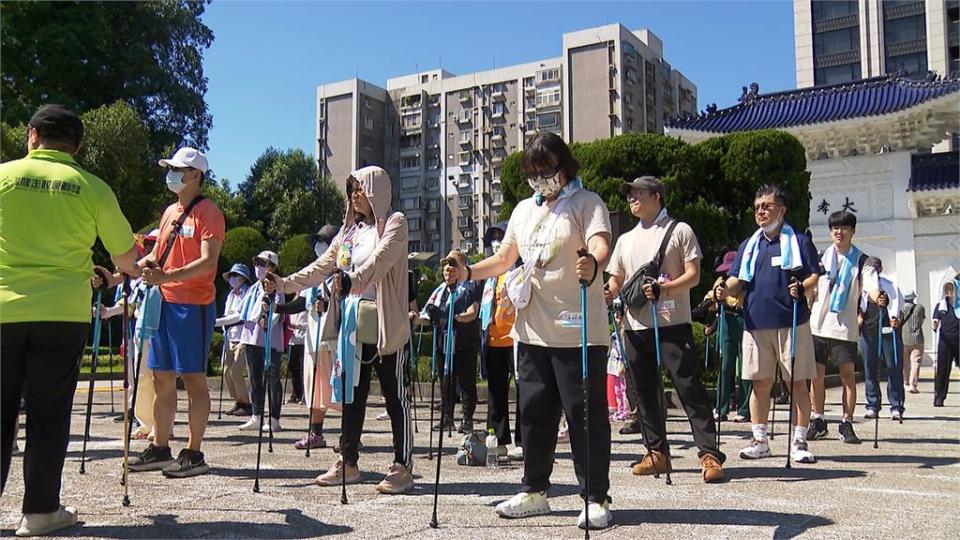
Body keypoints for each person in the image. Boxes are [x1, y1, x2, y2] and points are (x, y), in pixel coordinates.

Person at [448, 132, 613, 529]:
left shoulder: (587, 203)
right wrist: (469, 271)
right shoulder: (524, 209)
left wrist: (593, 263)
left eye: (548, 170)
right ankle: (535, 489)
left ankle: (595, 496)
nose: (542, 180)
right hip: (532, 330)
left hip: (578, 330)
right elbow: (506, 258)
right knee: (534, 414)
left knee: (584, 415)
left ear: (565, 166)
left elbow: (600, 243)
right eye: (534, 173)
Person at [1, 104, 139, 536]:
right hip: (62, 312)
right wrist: (101, 270)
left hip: (3, 308)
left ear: (32, 136)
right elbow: (127, 259)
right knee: (49, 411)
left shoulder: (3, 176)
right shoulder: (91, 187)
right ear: (76, 147)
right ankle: (40, 512)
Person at [264, 166, 414, 495]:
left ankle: (403, 464)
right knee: (351, 395)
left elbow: (379, 261)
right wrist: (285, 283)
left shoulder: (395, 223)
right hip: (351, 324)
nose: (354, 195)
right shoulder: (348, 232)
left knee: (394, 396)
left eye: (359, 188)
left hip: (386, 323)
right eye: (351, 190)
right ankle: (348, 460)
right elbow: (322, 267)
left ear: (376, 189)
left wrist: (351, 280)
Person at [606, 176, 726, 484]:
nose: (632, 198)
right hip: (635, 324)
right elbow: (618, 278)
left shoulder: (680, 230)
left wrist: (666, 289)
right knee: (644, 390)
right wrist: (608, 290)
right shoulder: (625, 239)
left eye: (638, 193)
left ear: (657, 196)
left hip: (672, 322)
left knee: (689, 388)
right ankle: (656, 451)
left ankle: (709, 453)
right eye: (630, 194)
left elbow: (694, 275)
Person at [126, 147, 225, 478]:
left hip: (193, 305)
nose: (171, 174)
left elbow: (208, 261)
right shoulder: (170, 212)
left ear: (195, 175)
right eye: (170, 168)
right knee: (161, 377)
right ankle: (160, 445)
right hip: (164, 302)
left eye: (178, 169)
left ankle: (194, 452)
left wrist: (165, 276)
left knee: (194, 379)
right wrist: (119, 271)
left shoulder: (209, 212)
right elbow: (156, 253)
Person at [716, 184, 820, 465]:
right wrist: (725, 289)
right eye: (758, 207)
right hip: (755, 322)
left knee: (797, 383)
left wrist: (802, 286)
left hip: (792, 321)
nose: (761, 211)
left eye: (767, 206)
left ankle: (799, 441)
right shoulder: (749, 245)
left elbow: (813, 276)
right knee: (759, 385)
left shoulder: (798, 240)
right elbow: (739, 280)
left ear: (782, 209)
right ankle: (760, 440)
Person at [274, 225, 338, 450]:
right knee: (314, 389)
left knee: (339, 388)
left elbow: (346, 303)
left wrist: (329, 303)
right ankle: (315, 433)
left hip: (333, 340)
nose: (319, 246)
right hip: (313, 339)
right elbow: (302, 303)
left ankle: (351, 435)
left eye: (324, 242)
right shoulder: (314, 278)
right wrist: (278, 308)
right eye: (318, 242)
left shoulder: (343, 275)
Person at [807, 211, 867, 444]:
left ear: (853, 231)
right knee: (816, 377)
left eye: (844, 228)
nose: (839, 232)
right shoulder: (821, 259)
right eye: (835, 228)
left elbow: (870, 287)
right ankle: (818, 419)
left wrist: (877, 297)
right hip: (818, 326)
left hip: (844, 327)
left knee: (847, 376)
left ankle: (847, 422)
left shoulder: (861, 261)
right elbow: (812, 288)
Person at [479, 224, 523, 459]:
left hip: (516, 338)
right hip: (493, 339)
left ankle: (524, 440)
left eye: (500, 237)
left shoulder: (518, 267)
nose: (496, 242)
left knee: (524, 390)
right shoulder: (490, 272)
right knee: (496, 392)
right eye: (492, 238)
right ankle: (498, 438)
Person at [426, 250, 481, 434]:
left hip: (465, 342)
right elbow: (428, 313)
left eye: (453, 265)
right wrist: (415, 317)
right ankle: (447, 418)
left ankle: (467, 418)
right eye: (445, 266)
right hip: (444, 343)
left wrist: (458, 318)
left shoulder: (469, 287)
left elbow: (473, 312)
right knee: (446, 381)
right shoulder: (440, 290)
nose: (448, 269)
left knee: (466, 382)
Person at [696, 250, 751, 423]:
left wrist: (726, 299)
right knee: (725, 366)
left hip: (744, 321)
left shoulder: (746, 281)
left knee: (745, 367)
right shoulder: (720, 282)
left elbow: (741, 301)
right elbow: (710, 300)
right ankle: (721, 407)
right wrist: (708, 304)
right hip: (726, 321)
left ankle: (744, 408)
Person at [234, 251, 285, 432]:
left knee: (272, 378)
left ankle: (274, 418)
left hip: (269, 340)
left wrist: (268, 319)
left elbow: (277, 312)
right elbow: (241, 312)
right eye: (256, 262)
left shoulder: (276, 286)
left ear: (272, 267)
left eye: (262, 263)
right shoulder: (253, 288)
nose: (258, 267)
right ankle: (256, 415)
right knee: (254, 378)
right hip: (251, 337)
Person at [858, 257, 905, 421]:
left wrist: (896, 317)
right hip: (868, 332)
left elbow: (898, 305)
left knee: (894, 367)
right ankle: (872, 404)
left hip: (888, 332)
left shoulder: (889, 286)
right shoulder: (862, 288)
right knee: (870, 369)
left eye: (874, 267)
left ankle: (896, 405)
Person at [213, 263, 254, 416]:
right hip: (230, 336)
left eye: (235, 275)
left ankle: (246, 404)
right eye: (231, 276)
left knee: (236, 371)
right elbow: (227, 314)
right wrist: (223, 323)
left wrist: (217, 322)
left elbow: (239, 315)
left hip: (244, 335)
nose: (232, 278)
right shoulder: (231, 295)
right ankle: (239, 401)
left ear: (243, 278)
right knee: (226, 372)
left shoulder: (248, 293)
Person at [932, 278, 959, 407]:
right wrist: (935, 324)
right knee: (942, 370)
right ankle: (939, 397)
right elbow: (935, 318)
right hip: (945, 341)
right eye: (947, 290)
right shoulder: (941, 305)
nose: (949, 292)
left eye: (951, 289)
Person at [900, 291, 926, 394]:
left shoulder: (901, 309)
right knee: (916, 362)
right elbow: (922, 321)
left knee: (905, 363)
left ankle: (905, 383)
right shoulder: (920, 308)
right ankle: (913, 384)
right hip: (918, 338)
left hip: (904, 338)